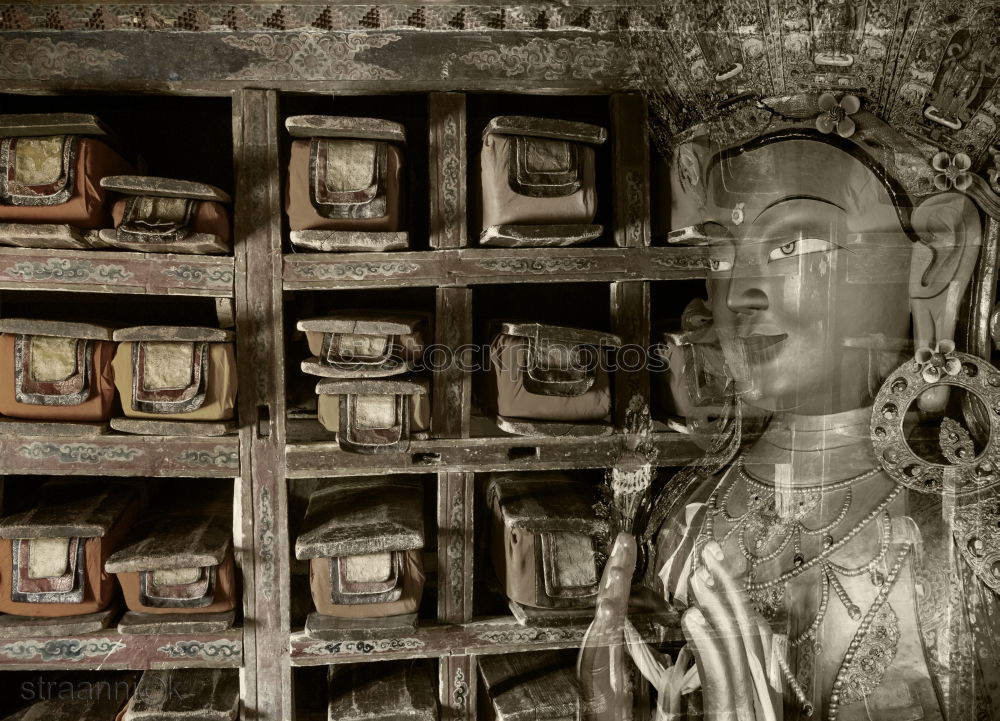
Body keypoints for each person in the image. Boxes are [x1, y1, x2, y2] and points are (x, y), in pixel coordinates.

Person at [580, 92, 1000, 721]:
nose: (739, 293)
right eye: (720, 253)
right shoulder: (682, 518)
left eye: (790, 247)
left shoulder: (972, 536)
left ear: (933, 257)